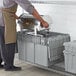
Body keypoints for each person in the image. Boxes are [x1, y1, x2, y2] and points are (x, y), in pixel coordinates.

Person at [0, 0, 49, 71]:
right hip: (5, 20)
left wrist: (14, 15)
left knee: (1, 42)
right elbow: (29, 8)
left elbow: (5, 6)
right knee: (9, 41)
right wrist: (42, 21)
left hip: (2, 17)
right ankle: (9, 66)